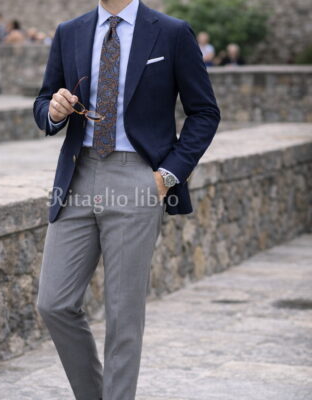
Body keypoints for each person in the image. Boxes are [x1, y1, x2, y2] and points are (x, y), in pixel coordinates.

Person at [33, 0, 220, 399]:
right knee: (54, 303)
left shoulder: (171, 32)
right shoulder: (70, 31)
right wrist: (54, 110)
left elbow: (204, 112)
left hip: (138, 176)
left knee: (123, 317)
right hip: (77, 175)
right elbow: (44, 101)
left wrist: (166, 176)